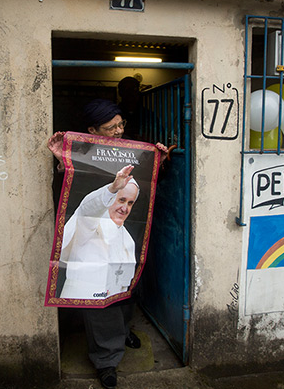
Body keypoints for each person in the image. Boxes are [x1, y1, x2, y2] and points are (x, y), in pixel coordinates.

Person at [48, 98, 166, 389]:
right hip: (90, 233)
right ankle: (106, 361)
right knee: (98, 298)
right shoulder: (80, 154)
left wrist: (156, 161)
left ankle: (122, 332)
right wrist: (64, 158)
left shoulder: (130, 153)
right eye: (110, 127)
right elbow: (83, 204)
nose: (119, 131)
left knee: (125, 287)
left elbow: (145, 184)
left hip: (123, 235)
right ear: (92, 129)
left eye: (121, 125)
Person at [59, 165, 139, 300]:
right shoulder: (90, 223)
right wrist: (113, 188)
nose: (125, 208)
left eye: (130, 203)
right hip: (84, 301)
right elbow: (87, 209)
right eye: (121, 200)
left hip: (110, 302)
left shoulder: (127, 238)